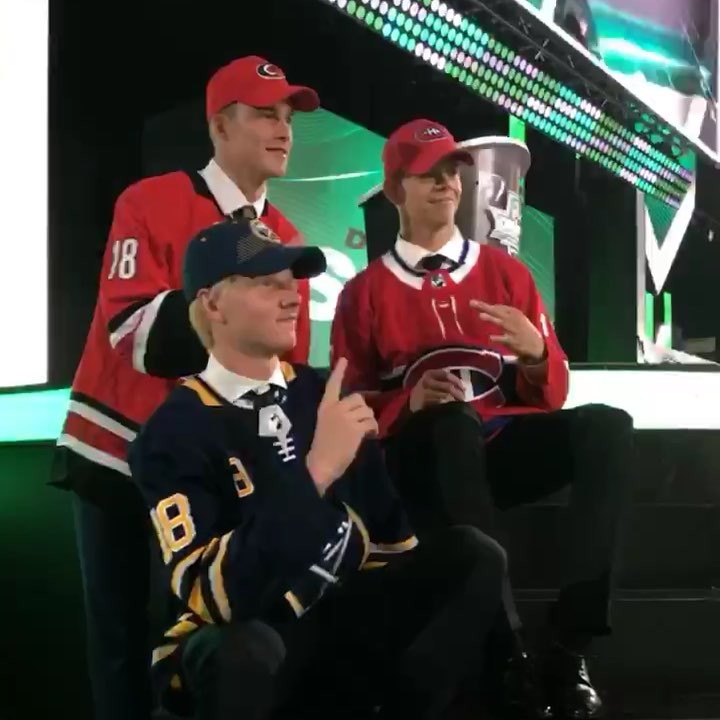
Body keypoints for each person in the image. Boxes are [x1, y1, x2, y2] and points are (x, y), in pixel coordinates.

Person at [128, 216, 508, 720]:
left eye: (292, 284)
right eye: (268, 284)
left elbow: (391, 549)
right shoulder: (173, 430)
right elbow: (215, 596)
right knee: (242, 648)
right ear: (213, 304)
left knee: (471, 556)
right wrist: (316, 474)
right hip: (251, 640)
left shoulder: (323, 393)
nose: (293, 298)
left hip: (338, 628)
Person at [330, 118, 634, 719]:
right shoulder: (363, 292)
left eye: (452, 171)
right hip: (424, 460)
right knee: (451, 423)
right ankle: (504, 649)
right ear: (395, 190)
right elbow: (348, 404)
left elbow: (552, 395)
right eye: (428, 174)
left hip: (497, 446)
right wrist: (406, 404)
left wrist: (539, 353)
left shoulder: (506, 274)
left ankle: (569, 646)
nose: (446, 184)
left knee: (609, 425)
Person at [51, 56, 320, 720]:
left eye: (288, 117)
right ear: (219, 126)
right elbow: (134, 334)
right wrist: (231, 314)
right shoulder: (149, 201)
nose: (283, 129)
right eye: (265, 114)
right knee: (120, 642)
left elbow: (282, 370)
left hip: (206, 470)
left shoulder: (288, 239)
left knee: (195, 638)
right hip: (113, 451)